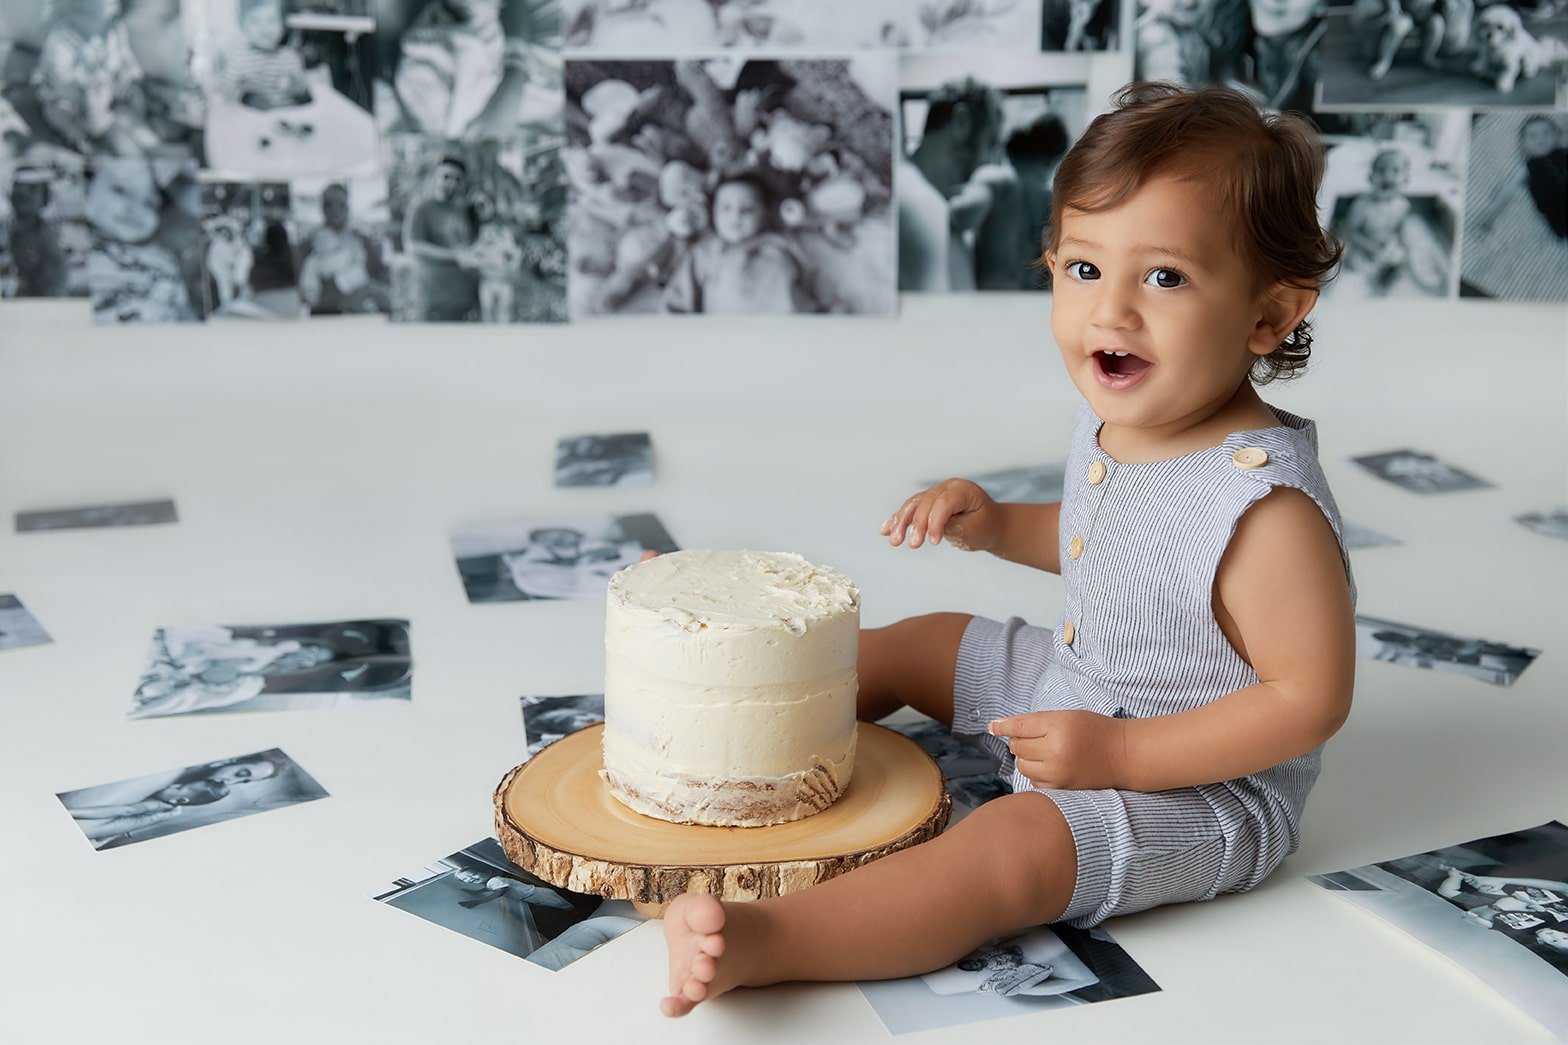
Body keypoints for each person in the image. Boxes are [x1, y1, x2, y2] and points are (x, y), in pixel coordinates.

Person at [660, 82, 1355, 1017]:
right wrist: (996, 526)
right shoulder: (1123, 415)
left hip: (1196, 785)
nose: (1110, 313)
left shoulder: (1264, 507)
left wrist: (1124, 752)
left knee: (1012, 848)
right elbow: (1108, 548)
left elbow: (1308, 699)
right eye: (1082, 269)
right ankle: (713, 741)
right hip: (1081, 684)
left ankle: (769, 940)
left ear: (1269, 317)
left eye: (1164, 278)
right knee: (924, 639)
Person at [660, 174, 830, 314]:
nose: (736, 216)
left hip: (790, 331)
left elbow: (817, 281)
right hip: (729, 336)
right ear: (712, 213)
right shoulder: (705, 251)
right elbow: (677, 300)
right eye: (726, 208)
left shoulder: (784, 243)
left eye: (747, 209)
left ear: (765, 213)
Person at [31, 0, 162, 156]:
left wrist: (129, 80)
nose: (114, 6)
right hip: (71, 105)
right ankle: (100, 145)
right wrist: (94, 84)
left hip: (110, 99)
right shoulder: (62, 39)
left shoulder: (114, 31)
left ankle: (153, 148)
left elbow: (128, 63)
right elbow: (62, 82)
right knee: (112, 134)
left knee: (135, 121)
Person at [85, 159, 197, 322]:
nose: (136, 209)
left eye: (149, 203)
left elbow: (183, 311)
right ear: (86, 188)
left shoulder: (165, 260)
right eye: (120, 190)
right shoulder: (83, 253)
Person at [296, 182, 390, 315]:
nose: (335, 210)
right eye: (328, 205)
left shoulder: (362, 240)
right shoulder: (309, 243)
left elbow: (380, 275)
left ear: (347, 207)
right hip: (326, 314)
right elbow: (305, 288)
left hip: (360, 309)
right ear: (322, 208)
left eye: (341, 205)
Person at [404, 154, 479, 321]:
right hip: (432, 299)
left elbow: (469, 246)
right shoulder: (422, 208)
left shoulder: (463, 210)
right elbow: (413, 246)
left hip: (463, 298)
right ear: (435, 177)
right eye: (446, 177)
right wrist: (454, 255)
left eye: (457, 179)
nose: (451, 183)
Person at [1475, 115, 1567, 241]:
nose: (1541, 138)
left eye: (1546, 132)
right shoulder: (1527, 168)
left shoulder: (1562, 151)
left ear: (1557, 136)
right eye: (1532, 136)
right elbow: (1506, 192)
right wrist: (1488, 219)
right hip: (1559, 213)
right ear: (1523, 144)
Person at [65, 777, 231, 847]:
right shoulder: (170, 809)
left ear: (180, 801)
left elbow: (123, 810)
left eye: (179, 788)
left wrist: (73, 812)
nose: (172, 785)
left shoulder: (155, 806)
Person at [212, 0, 312, 112]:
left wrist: (298, 90)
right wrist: (245, 97)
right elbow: (225, 91)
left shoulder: (291, 58)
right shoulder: (239, 59)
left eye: (271, 20)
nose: (264, 28)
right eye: (255, 21)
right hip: (253, 120)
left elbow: (306, 94)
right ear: (243, 26)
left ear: (283, 25)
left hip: (287, 119)